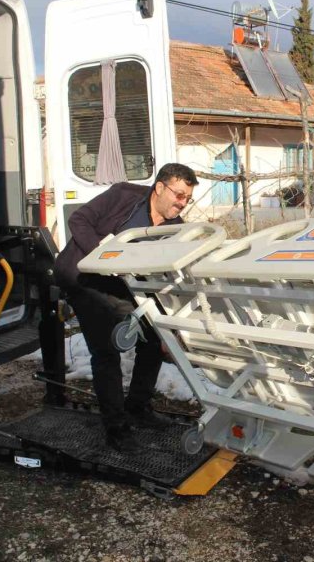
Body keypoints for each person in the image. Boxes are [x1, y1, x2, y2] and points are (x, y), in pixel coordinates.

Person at [54, 163, 198, 453]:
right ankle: (116, 429)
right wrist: (102, 255)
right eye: (179, 195)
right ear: (160, 187)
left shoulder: (175, 228)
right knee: (106, 349)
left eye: (187, 199)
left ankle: (137, 406)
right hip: (85, 278)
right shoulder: (123, 197)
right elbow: (80, 220)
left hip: (124, 287)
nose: (181, 204)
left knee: (154, 340)